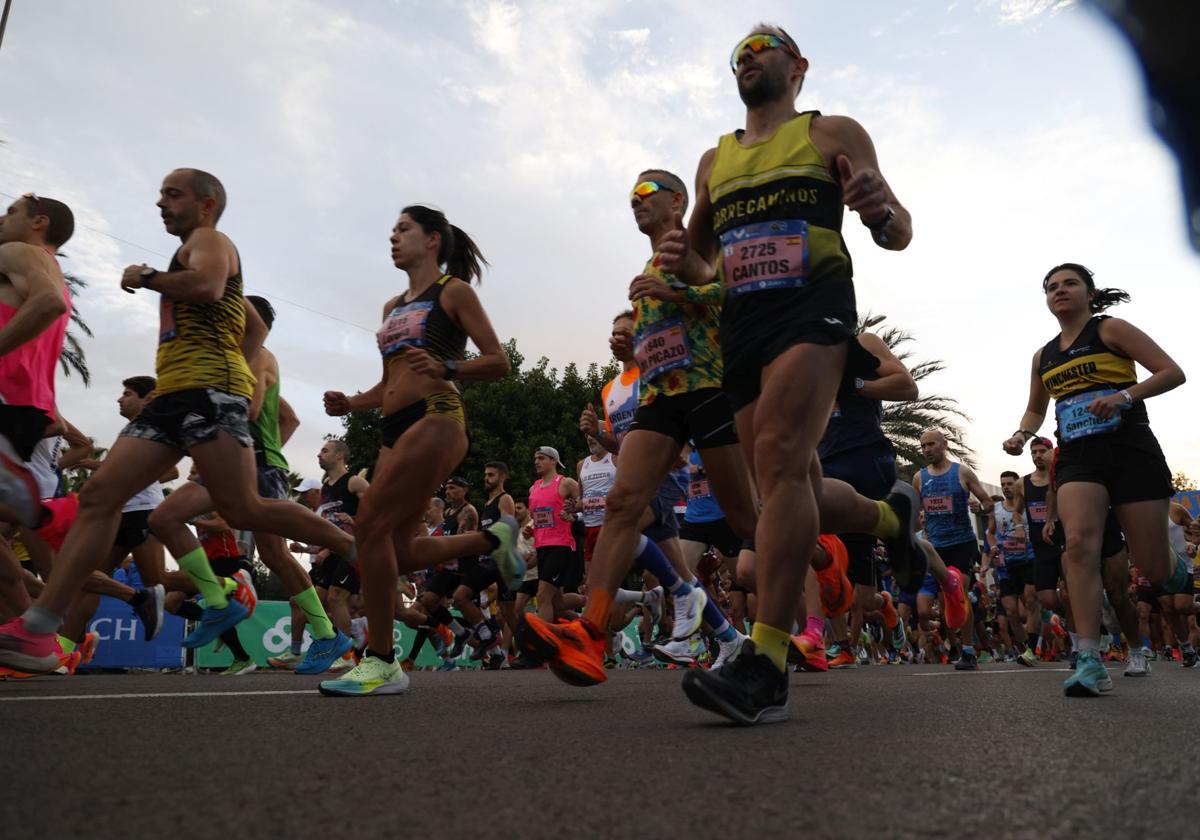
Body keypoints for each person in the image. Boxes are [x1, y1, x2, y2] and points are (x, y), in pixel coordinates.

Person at [645, 25, 922, 725]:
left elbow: (897, 233)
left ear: (797, 66)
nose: (747, 57)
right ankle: (890, 515)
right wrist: (683, 258)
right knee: (781, 487)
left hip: (815, 306)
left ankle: (765, 661)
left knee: (776, 454)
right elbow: (705, 262)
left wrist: (881, 209)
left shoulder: (832, 134)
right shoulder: (716, 159)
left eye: (761, 47)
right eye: (738, 52)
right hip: (743, 324)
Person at [0, 169, 358, 674]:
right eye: (161, 193)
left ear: (206, 203)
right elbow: (251, 325)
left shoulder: (211, 240)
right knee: (101, 496)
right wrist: (235, 355)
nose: (160, 203)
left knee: (246, 508)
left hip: (209, 395)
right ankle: (39, 629)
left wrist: (149, 280)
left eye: (172, 194)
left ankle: (355, 547)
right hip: (173, 397)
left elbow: (209, 287)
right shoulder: (194, 247)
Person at [318, 205, 522, 697]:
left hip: (437, 416)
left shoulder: (453, 292)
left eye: (403, 229)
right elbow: (389, 384)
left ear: (433, 239)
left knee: (369, 525)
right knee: (403, 551)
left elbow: (500, 362)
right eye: (391, 230)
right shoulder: (391, 308)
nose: (393, 237)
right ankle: (493, 541)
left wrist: (449, 367)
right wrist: (352, 402)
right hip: (393, 428)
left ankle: (383, 660)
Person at [1003, 262, 1186, 697]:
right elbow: (1036, 408)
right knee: (1079, 545)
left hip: (1130, 449)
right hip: (1078, 457)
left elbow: (1171, 372)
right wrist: (1021, 434)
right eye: (1052, 287)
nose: (1060, 291)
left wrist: (1122, 396)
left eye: (1070, 284)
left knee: (1153, 567)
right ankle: (1089, 657)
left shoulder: (1110, 330)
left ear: (1089, 292)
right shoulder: (1043, 355)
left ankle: (1183, 576)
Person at [0, 192, 73, 530]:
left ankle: (54, 513)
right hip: (28, 405)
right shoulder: (51, 268)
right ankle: (51, 514)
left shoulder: (16, 252)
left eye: (10, 212)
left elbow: (48, 303)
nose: (2, 219)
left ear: (38, 222)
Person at [914, 430, 994, 670]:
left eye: (931, 444)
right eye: (923, 446)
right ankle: (955, 647)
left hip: (962, 542)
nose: (927, 449)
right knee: (946, 601)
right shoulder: (919, 478)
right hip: (936, 546)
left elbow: (987, 502)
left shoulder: (961, 472)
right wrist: (918, 521)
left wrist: (979, 506)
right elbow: (916, 514)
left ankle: (969, 649)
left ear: (944, 445)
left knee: (961, 592)